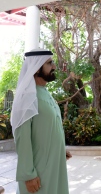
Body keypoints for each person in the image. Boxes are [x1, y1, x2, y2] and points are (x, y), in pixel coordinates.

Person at [10, 48, 71, 194]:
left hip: (54, 166)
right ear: (36, 68)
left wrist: (60, 149)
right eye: (50, 63)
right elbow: (22, 137)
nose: (54, 67)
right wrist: (28, 174)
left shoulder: (43, 93)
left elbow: (46, 129)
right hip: (39, 172)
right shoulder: (27, 97)